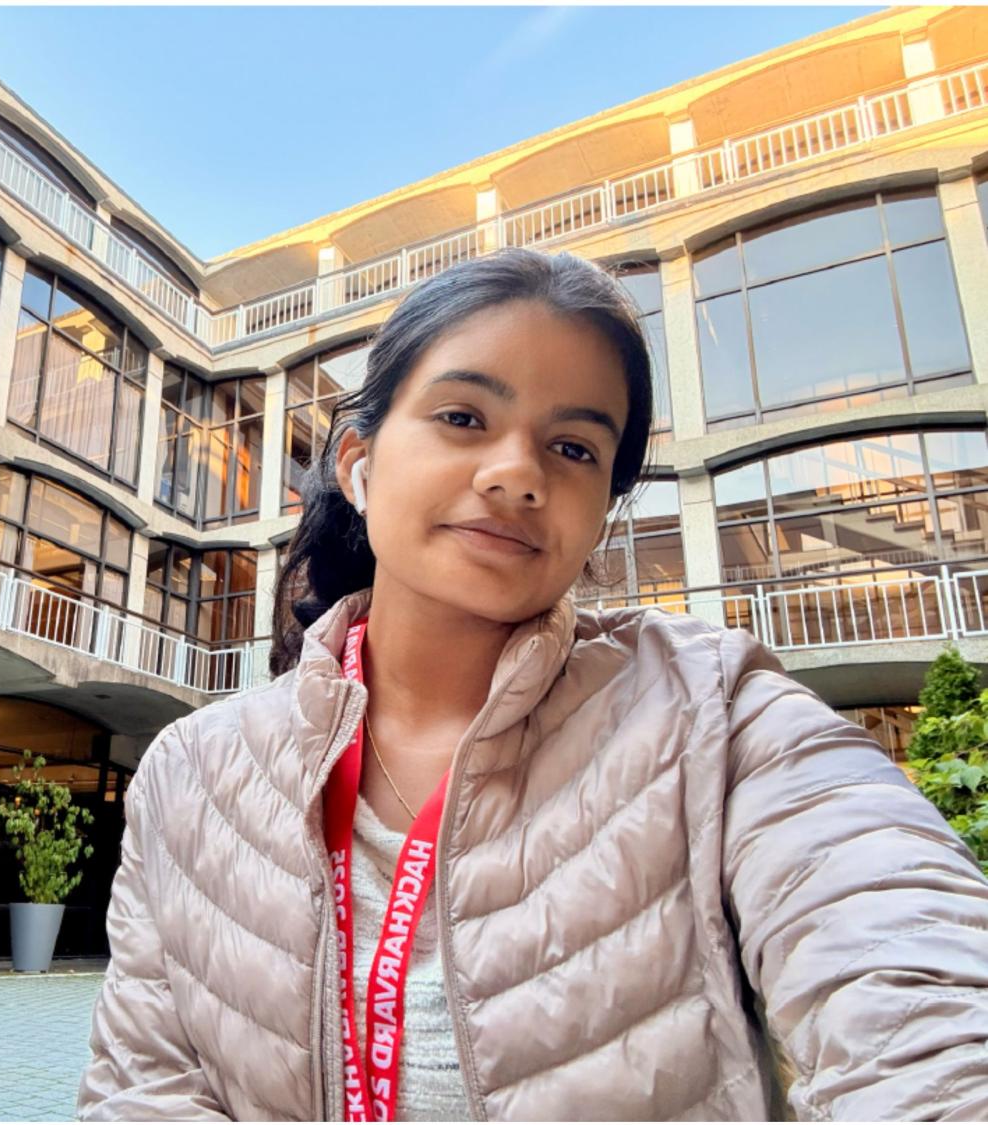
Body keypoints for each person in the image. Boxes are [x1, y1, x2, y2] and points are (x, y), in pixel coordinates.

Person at [76, 249, 988, 1122]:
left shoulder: (716, 714)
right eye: (464, 418)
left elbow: (919, 986)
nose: (517, 474)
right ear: (357, 462)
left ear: (602, 511)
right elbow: (142, 1090)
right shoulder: (189, 776)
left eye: (574, 448)